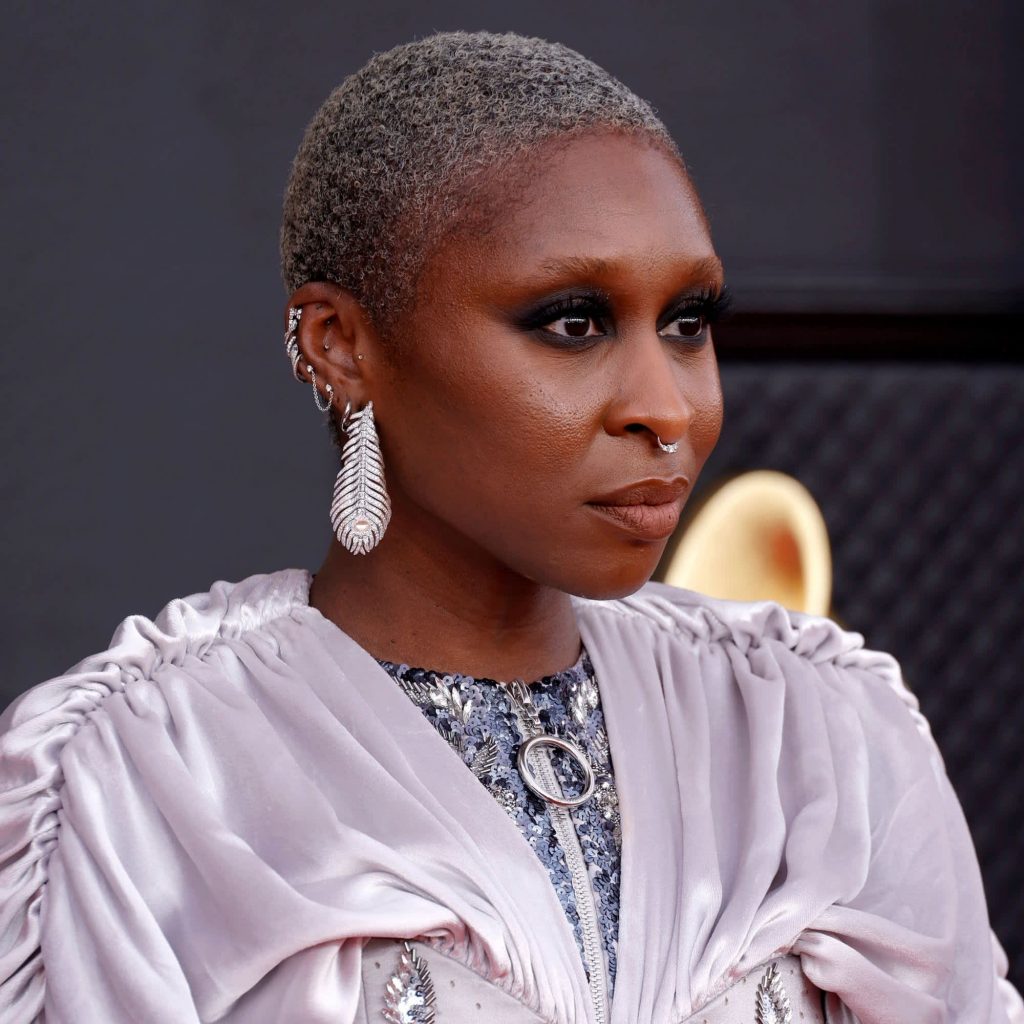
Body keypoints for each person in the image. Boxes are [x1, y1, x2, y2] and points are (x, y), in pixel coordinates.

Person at [0, 28, 1020, 1024]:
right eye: (571, 322)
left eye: (688, 322)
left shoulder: (819, 731)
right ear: (340, 345)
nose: (665, 407)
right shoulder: (146, 775)